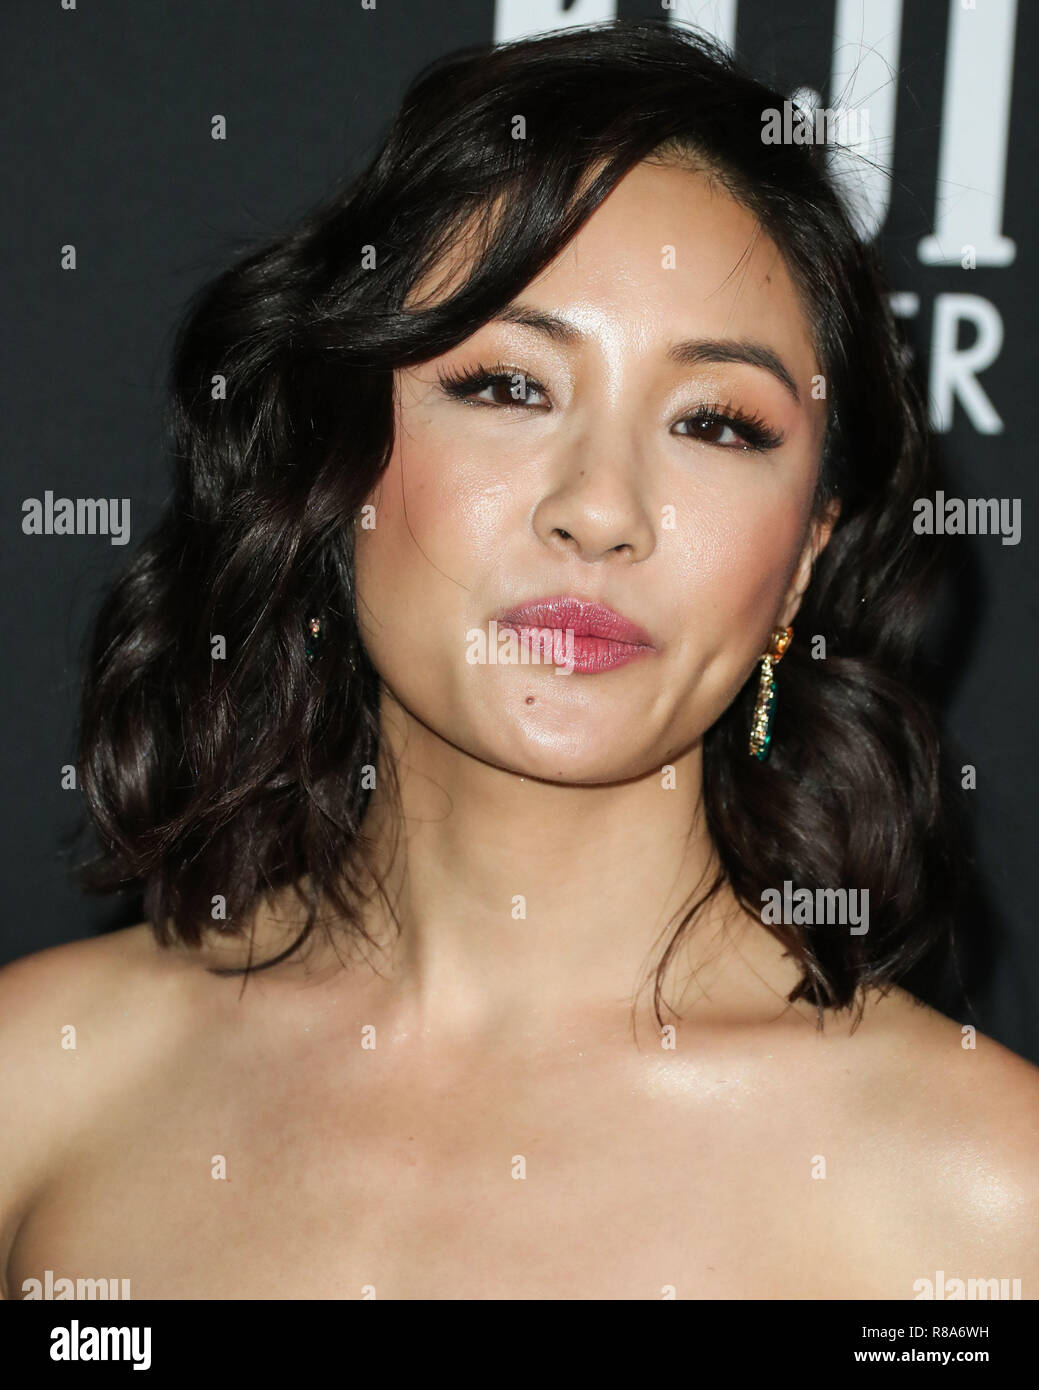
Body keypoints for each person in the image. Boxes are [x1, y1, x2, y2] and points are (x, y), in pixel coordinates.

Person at [2, 19, 1037, 1301]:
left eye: (715, 421)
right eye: (506, 386)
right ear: (337, 465)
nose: (600, 508)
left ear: (808, 555)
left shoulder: (987, 1198)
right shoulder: (40, 1083)